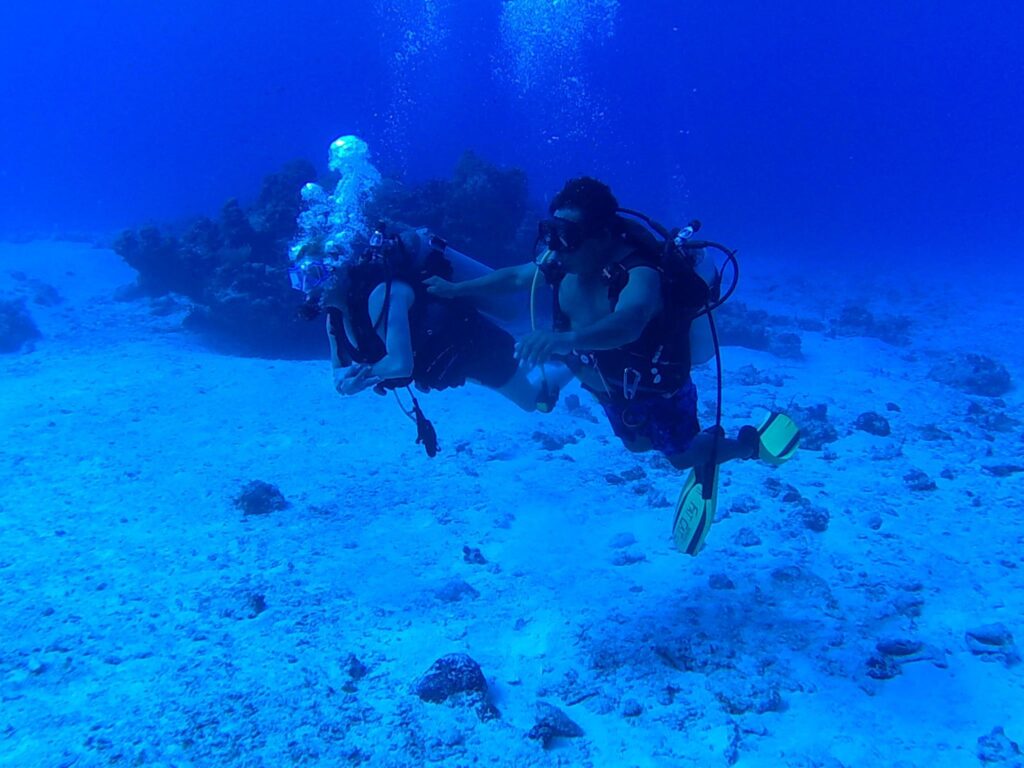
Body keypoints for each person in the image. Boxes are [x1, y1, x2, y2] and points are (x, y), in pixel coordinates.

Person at [293, 223, 565, 417]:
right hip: (447, 365)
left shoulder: (383, 295)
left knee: (533, 402)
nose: (307, 288)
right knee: (520, 376)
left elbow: (400, 364)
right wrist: (345, 383)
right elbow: (338, 370)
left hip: (477, 349)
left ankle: (572, 362)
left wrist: (360, 379)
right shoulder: (335, 317)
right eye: (299, 278)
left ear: (337, 270)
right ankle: (551, 356)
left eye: (314, 275)